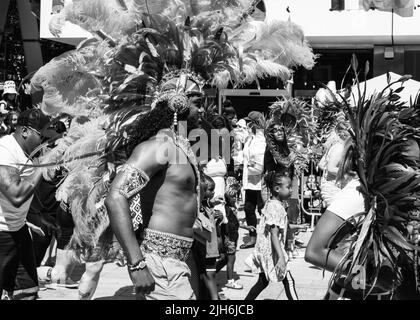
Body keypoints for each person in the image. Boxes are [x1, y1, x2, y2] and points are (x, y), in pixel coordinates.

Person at [105, 91, 204, 300]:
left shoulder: (179, 147)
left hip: (179, 262)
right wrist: (137, 264)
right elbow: (116, 197)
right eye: (198, 104)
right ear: (179, 106)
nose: (202, 110)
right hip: (160, 264)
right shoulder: (160, 146)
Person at [0, 109, 50, 300]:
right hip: (2, 234)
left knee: (27, 293)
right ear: (25, 131)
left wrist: (31, 219)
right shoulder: (5, 149)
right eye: (42, 136)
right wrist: (44, 165)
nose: (45, 141)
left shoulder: (29, 152)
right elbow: (16, 195)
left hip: (18, 231)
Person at [245, 171, 298, 300]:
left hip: (266, 250)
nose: (291, 190)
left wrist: (298, 227)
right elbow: (274, 234)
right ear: (277, 189)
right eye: (288, 187)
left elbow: (280, 226)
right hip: (273, 251)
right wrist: (281, 257)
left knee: (262, 281)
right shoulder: (275, 207)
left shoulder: (273, 204)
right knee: (289, 281)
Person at [240, 111, 266, 249]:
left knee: (263, 209)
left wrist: (250, 167)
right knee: (249, 208)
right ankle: (253, 238)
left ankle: (266, 237)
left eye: (249, 122)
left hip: (259, 180)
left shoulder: (261, 139)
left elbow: (259, 163)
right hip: (250, 180)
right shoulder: (251, 138)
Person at [318, 122, 350, 207]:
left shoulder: (335, 146)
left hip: (331, 185)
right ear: (343, 134)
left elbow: (321, 164)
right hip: (333, 188)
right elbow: (331, 168)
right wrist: (349, 173)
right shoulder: (339, 148)